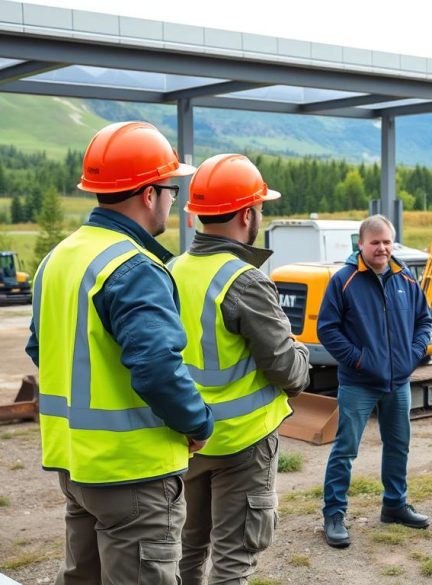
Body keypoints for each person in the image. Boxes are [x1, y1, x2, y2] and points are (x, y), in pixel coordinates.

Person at [26, 121, 214, 584]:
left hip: (78, 465)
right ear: (149, 194)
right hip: (133, 474)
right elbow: (156, 369)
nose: (174, 199)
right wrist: (197, 423)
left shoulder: (60, 257)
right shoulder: (134, 267)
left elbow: (40, 347)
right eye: (171, 188)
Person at [169, 154, 310, 585]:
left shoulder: (171, 270)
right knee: (233, 561)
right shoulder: (245, 280)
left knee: (188, 551)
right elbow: (290, 372)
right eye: (260, 208)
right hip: (243, 443)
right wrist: (300, 351)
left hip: (188, 439)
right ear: (247, 214)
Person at [318, 214, 432, 548]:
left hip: (398, 381)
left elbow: (423, 321)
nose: (382, 248)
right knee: (346, 449)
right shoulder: (344, 280)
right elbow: (328, 329)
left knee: (398, 444)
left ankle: (395, 504)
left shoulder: (406, 279)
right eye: (375, 242)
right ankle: (334, 514)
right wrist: (360, 359)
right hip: (358, 383)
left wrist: (414, 353)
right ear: (361, 244)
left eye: (387, 242)